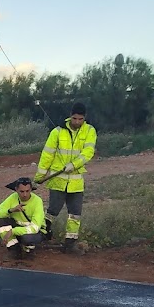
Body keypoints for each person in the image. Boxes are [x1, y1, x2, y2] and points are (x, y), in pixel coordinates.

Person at [35, 101, 97, 254]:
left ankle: (70, 244)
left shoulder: (89, 131)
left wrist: (74, 164)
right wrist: (40, 176)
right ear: (70, 117)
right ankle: (39, 237)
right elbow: (47, 155)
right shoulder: (57, 132)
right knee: (52, 211)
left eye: (80, 119)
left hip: (76, 182)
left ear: (84, 118)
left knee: (75, 214)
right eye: (75, 118)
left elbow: (88, 153)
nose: (77, 122)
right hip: (58, 181)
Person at [0, 177, 47, 259]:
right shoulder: (13, 198)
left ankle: (29, 250)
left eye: (27, 191)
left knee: (26, 238)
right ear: (16, 190)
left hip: (36, 232)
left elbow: (35, 228)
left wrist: (13, 231)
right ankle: (14, 250)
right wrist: (11, 210)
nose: (25, 194)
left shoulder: (37, 201)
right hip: (19, 228)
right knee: (0, 221)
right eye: (22, 191)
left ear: (31, 189)